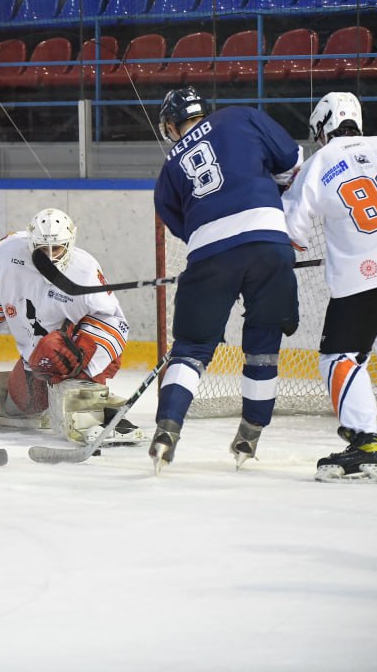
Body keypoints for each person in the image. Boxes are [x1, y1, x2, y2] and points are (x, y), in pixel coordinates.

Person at [150, 87, 302, 474]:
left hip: (210, 254)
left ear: (171, 125)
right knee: (264, 346)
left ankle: (168, 427)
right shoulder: (240, 116)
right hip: (270, 241)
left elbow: (187, 229)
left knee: (190, 349)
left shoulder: (169, 167)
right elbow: (291, 162)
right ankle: (250, 433)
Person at [0, 209, 139, 445]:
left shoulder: (85, 270)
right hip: (38, 360)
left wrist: (82, 353)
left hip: (79, 355)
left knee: (61, 374)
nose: (49, 256)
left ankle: (99, 410)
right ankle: (71, 402)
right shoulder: (5, 255)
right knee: (22, 402)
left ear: (70, 244)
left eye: (57, 248)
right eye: (42, 248)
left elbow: (115, 322)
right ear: (31, 241)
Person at [282, 92, 377, 483]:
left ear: (322, 128)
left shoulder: (319, 162)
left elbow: (291, 233)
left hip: (364, 275)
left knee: (339, 356)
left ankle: (365, 443)